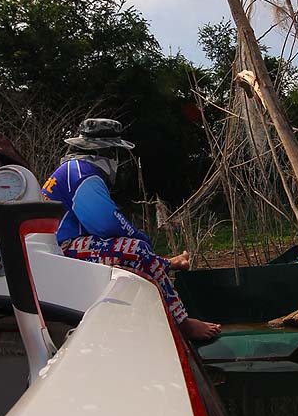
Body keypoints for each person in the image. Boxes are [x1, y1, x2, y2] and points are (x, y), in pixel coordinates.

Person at [42, 118, 221, 341]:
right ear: (107, 153)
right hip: (66, 247)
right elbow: (105, 222)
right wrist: (140, 237)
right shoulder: (83, 173)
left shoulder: (70, 170)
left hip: (59, 246)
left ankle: (167, 263)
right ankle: (182, 322)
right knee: (137, 248)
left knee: (132, 248)